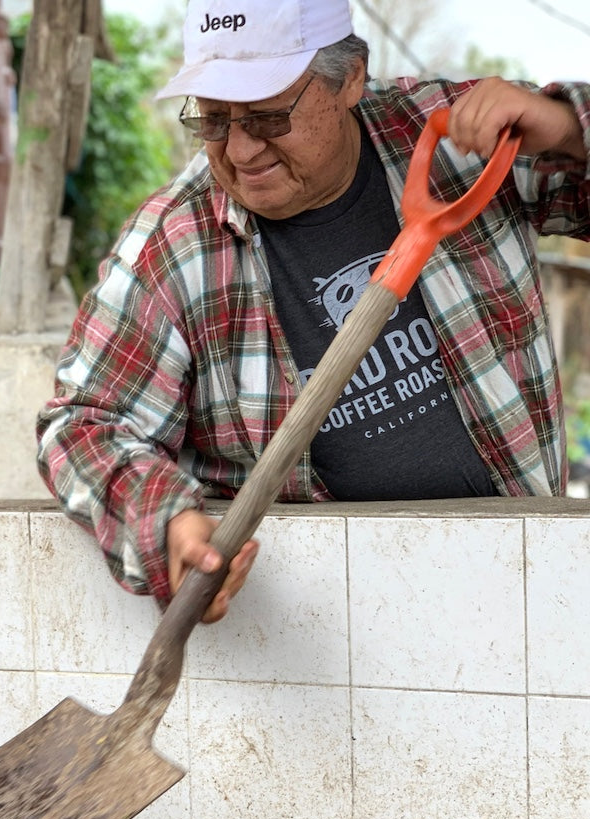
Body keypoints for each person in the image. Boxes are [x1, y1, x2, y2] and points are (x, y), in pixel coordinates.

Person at [36, 0, 590, 624]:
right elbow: (83, 424)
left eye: (269, 116)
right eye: (213, 121)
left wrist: (570, 130)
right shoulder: (174, 242)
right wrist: (165, 517)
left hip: (525, 579)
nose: (242, 152)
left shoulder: (455, 140)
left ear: (350, 77)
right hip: (321, 625)